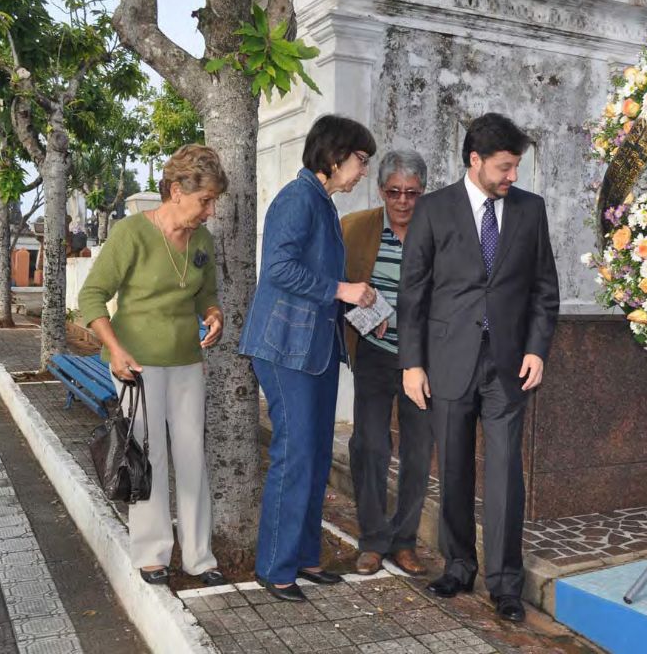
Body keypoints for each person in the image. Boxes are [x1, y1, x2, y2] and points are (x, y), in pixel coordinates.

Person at [397, 113, 560, 622]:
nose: (512, 176)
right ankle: (458, 565)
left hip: (509, 365)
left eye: (515, 167)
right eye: (505, 167)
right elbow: (413, 293)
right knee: (453, 467)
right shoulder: (433, 210)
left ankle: (506, 585)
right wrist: (412, 364)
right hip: (447, 361)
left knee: (506, 473)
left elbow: (544, 290)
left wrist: (536, 349)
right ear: (476, 161)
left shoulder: (531, 211)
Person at [238, 115, 377, 602]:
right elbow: (278, 269)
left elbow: (318, 282)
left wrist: (359, 306)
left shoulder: (321, 203)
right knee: (294, 456)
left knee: (316, 456)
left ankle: (306, 557)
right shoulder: (298, 199)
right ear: (336, 156)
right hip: (283, 349)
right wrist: (342, 288)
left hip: (314, 351)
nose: (363, 172)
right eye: (361, 161)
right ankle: (276, 567)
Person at [79, 144, 228, 587]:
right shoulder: (131, 234)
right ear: (178, 190)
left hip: (186, 361)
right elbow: (91, 297)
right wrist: (116, 348)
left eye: (214, 201)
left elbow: (205, 294)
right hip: (136, 366)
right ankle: (151, 552)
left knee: (191, 456)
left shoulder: (202, 240)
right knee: (147, 455)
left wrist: (213, 314)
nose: (211, 210)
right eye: (206, 200)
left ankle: (199, 556)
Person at [341, 150, 432, 577]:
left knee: (418, 453)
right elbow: (337, 287)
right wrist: (364, 315)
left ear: (422, 192)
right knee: (370, 446)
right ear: (380, 190)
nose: (402, 201)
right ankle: (373, 540)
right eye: (394, 191)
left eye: (411, 193)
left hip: (424, 362)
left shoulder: (437, 231)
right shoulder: (355, 229)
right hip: (374, 356)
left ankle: (404, 541)